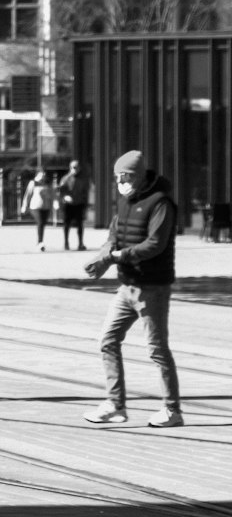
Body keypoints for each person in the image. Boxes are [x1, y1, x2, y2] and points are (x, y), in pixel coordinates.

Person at [83, 150, 183, 428]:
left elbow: (155, 244)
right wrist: (104, 256)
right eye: (117, 177)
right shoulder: (127, 201)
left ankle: (172, 410)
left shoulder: (160, 203)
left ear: (137, 175)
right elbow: (114, 234)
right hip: (126, 287)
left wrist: (119, 256)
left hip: (152, 287)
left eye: (124, 176)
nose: (120, 182)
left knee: (157, 349)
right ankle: (115, 405)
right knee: (107, 340)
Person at [58, 159, 90, 250]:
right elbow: (60, 191)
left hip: (79, 204)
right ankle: (66, 243)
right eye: (72, 167)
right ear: (70, 168)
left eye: (76, 167)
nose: (74, 169)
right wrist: (65, 197)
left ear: (79, 168)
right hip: (68, 205)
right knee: (66, 224)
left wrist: (86, 205)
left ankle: (80, 243)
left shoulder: (83, 179)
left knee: (80, 225)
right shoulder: (65, 178)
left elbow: (85, 193)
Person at [21, 168, 53, 249]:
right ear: (38, 174)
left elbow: (52, 194)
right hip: (35, 207)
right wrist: (24, 205)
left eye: (44, 175)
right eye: (42, 174)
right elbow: (28, 195)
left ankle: (40, 240)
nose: (43, 176)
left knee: (43, 224)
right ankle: (40, 242)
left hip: (45, 207)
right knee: (40, 222)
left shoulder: (47, 183)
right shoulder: (33, 183)